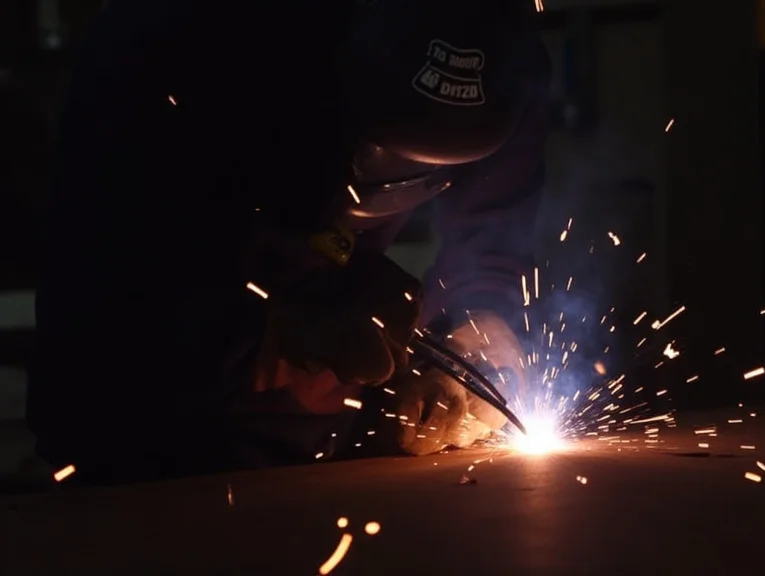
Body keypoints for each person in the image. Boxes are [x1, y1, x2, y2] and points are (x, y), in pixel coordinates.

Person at [27, 0, 550, 486]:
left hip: (294, 414)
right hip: (131, 391)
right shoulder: (175, 44)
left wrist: (481, 313)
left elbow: (493, 223)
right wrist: (273, 315)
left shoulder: (504, 49)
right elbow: (108, 287)